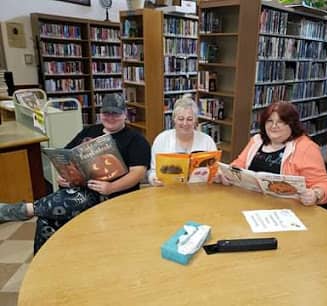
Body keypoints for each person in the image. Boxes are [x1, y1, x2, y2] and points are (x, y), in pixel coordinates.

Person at [0, 93, 151, 253]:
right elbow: (67, 155)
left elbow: (138, 174)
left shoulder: (136, 140)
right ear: (101, 113)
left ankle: (25, 209)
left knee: (74, 199)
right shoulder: (90, 131)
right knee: (46, 220)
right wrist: (64, 175)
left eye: (116, 113)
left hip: (112, 194)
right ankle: (42, 261)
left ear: (125, 114)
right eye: (107, 113)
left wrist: (111, 187)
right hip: (80, 186)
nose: (111, 117)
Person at [223, 101, 327, 205]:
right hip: (250, 200)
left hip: (288, 208)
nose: (274, 126)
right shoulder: (257, 140)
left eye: (280, 122)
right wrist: (228, 175)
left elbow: (323, 183)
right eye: (269, 121)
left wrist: (315, 194)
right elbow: (238, 164)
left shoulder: (306, 148)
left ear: (292, 125)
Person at [148, 94, 217, 186]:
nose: (185, 123)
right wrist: (153, 179)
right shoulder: (161, 139)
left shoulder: (207, 141)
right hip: (168, 191)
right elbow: (152, 171)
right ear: (174, 120)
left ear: (195, 121)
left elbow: (214, 170)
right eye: (181, 119)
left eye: (189, 119)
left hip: (199, 191)